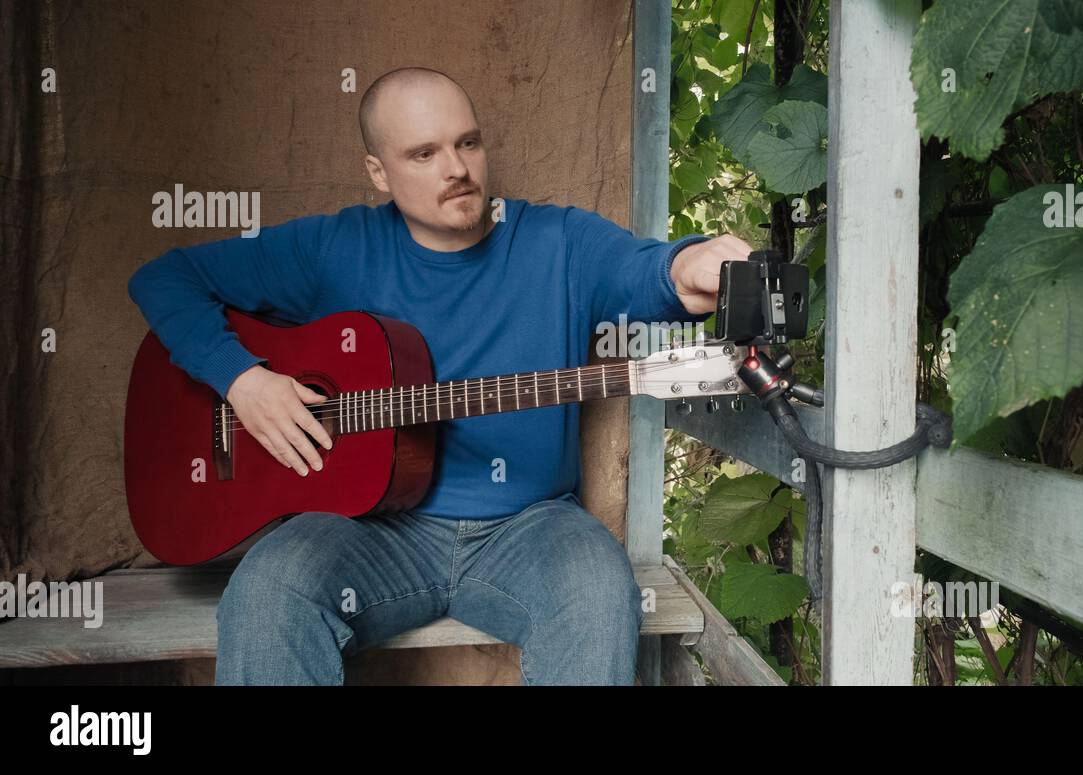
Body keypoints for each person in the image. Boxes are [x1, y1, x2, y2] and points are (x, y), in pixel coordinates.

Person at [126, 66, 754, 685]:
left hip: (530, 526)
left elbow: (647, 271)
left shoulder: (556, 240)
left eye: (468, 142)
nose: (456, 169)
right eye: (423, 153)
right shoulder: (335, 247)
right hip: (366, 530)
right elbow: (165, 278)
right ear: (378, 171)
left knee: (597, 591)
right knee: (269, 591)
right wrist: (243, 381)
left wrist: (695, 264)